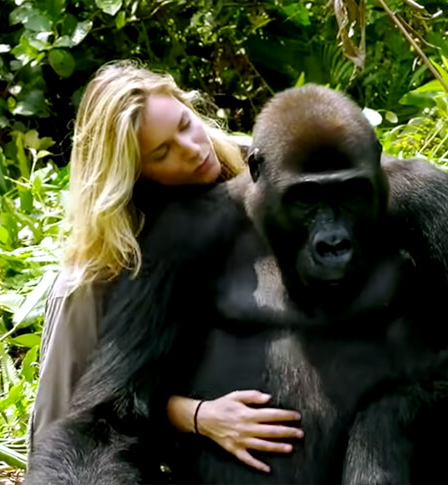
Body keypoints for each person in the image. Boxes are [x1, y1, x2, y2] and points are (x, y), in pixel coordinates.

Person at [30, 60, 303, 474]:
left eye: (184, 124)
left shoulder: (256, 162)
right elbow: (85, 417)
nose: (192, 150)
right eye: (163, 152)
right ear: (137, 175)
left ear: (187, 105)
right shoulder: (106, 264)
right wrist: (200, 416)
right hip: (167, 431)